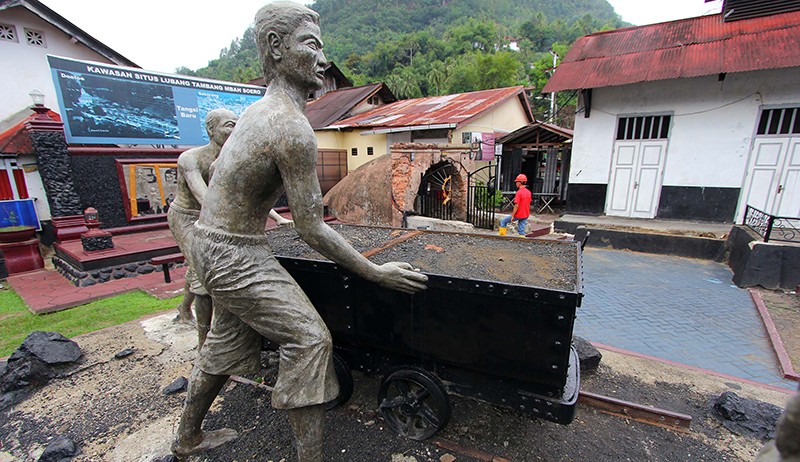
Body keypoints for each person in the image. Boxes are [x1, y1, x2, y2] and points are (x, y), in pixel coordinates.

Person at [171, 3, 428, 461]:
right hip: (233, 252)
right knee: (309, 339)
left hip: (213, 245)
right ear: (276, 47)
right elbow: (311, 227)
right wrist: (375, 272)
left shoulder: (257, 112)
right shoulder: (290, 127)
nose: (323, 58)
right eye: (312, 44)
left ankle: (186, 438)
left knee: (225, 341)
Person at [167, 108, 237, 338]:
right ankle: (203, 340)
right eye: (229, 124)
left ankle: (183, 308)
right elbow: (204, 197)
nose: (234, 130)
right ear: (210, 129)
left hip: (211, 218)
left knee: (196, 267)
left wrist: (276, 217)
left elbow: (244, 196)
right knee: (204, 273)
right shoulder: (190, 158)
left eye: (237, 124)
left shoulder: (230, 159)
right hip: (187, 218)